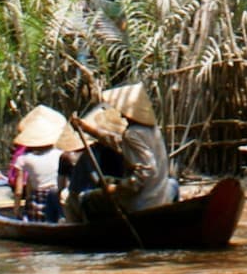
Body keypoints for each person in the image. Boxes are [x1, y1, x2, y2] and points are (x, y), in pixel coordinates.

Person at [66, 83, 178, 219]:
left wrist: (117, 188)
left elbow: (146, 171)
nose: (122, 115)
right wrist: (86, 128)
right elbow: (117, 142)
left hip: (143, 201)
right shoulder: (154, 130)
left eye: (123, 112)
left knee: (88, 198)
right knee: (172, 184)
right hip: (160, 194)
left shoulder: (132, 134)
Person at [10, 104, 67, 222]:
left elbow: (19, 191)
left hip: (38, 201)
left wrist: (16, 210)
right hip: (58, 197)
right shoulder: (61, 154)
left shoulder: (23, 159)